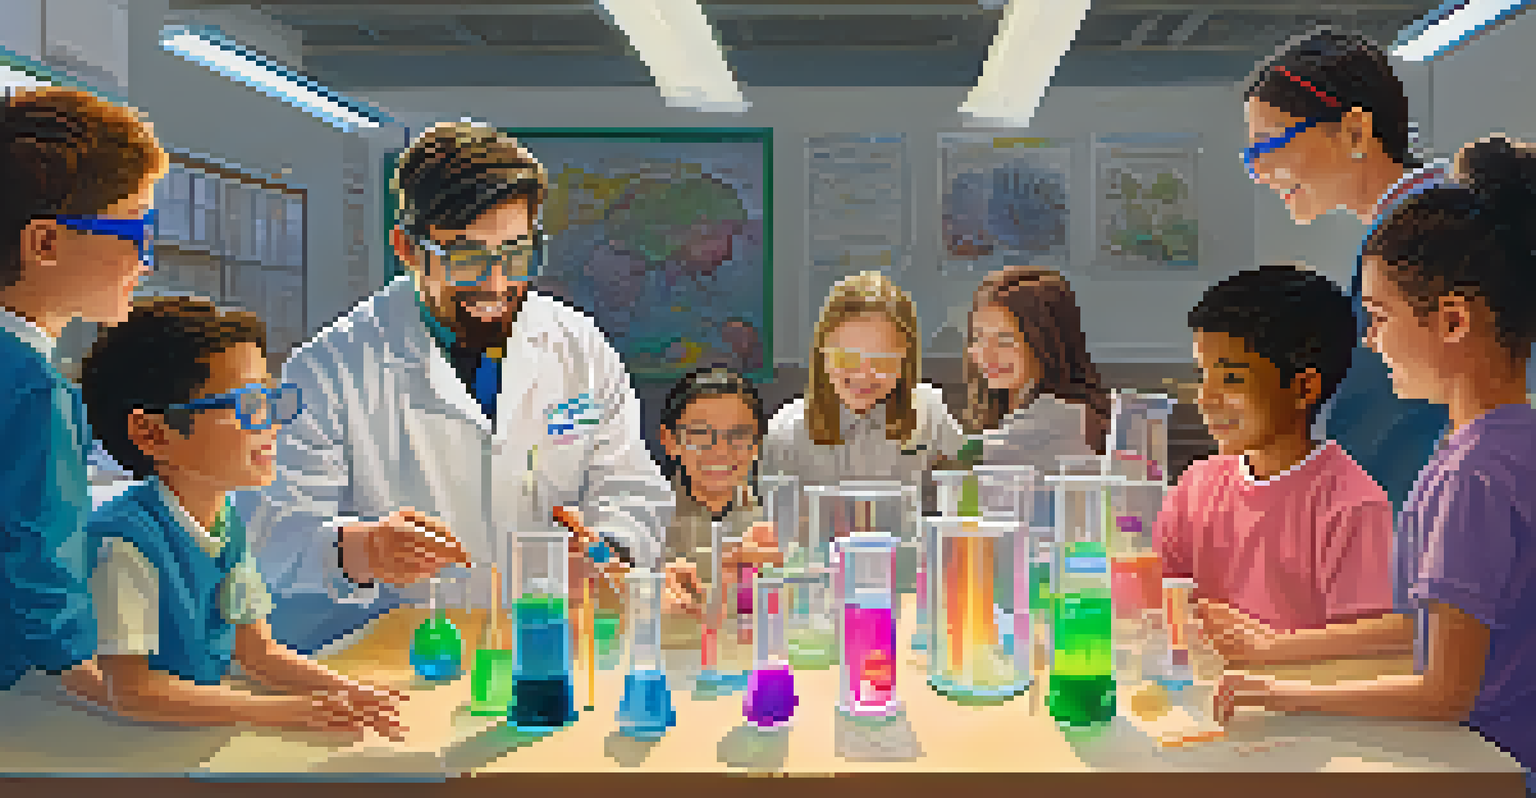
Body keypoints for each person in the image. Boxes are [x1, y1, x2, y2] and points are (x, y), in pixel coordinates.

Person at [245, 121, 673, 654]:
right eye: (466, 258)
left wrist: (608, 546)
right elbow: (273, 540)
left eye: (515, 255)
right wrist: (361, 551)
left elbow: (631, 486)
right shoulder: (331, 370)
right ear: (407, 248)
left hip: (548, 644)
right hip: (402, 662)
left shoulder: (578, 347)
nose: (495, 284)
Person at [1216, 136, 1536, 789]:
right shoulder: (1500, 441)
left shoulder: (1475, 473)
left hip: (1487, 768)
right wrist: (1279, 652)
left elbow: (1444, 690)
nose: (1370, 341)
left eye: (1380, 316)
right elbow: (1433, 624)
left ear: (1451, 321)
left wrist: (1286, 696)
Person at [67, 297, 403, 737]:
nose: (273, 425)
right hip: (125, 739)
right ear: (152, 433)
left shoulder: (224, 523)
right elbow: (133, 689)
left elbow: (258, 653)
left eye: (270, 399)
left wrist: (349, 692)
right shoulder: (125, 543)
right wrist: (289, 713)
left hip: (190, 724)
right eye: (247, 404)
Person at [1243, 29, 1461, 510]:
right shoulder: (1408, 222)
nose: (1259, 170)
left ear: (1355, 132)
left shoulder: (1421, 235)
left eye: (1268, 144)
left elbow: (1375, 418)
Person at [0, 87, 166, 692]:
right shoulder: (35, 390)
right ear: (44, 243)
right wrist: (117, 694)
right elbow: (42, 579)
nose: (144, 260)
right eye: (134, 229)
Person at [1157, 265, 1398, 661]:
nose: (1206, 398)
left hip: (1304, 714)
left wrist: (1273, 653)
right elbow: (1156, 603)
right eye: (1203, 376)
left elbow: (1363, 656)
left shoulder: (1352, 507)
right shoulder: (1196, 486)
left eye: (1232, 379)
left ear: (1304, 388)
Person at [762, 271, 965, 488]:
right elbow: (776, 516)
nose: (863, 374)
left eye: (883, 361)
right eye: (846, 358)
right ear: (822, 355)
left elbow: (965, 494)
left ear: (906, 362)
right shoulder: (786, 433)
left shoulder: (930, 414)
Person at [655, 368, 780, 637]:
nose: (721, 450)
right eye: (700, 434)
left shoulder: (780, 523)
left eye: (739, 435)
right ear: (670, 441)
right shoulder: (640, 522)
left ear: (758, 443)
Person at [963, 265, 1111, 471]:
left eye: (1005, 340)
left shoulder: (1061, 419)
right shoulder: (1014, 412)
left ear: (1047, 342)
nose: (986, 354)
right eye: (978, 338)